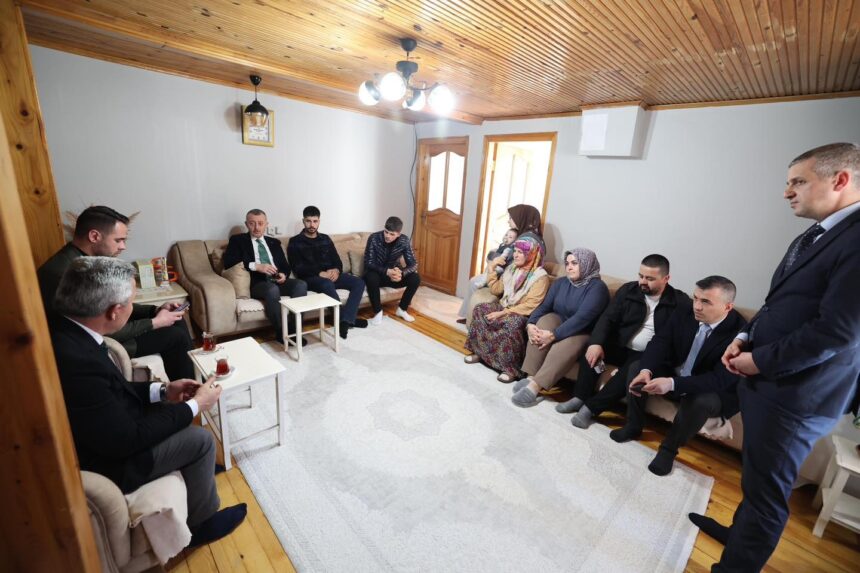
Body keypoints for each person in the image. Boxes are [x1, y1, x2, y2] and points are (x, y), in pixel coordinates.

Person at [690, 143, 860, 571]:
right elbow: (780, 305)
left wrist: (760, 361)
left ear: (840, 180)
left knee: (767, 496)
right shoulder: (817, 234)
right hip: (772, 383)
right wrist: (745, 336)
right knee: (755, 479)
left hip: (798, 395)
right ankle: (736, 536)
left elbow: (836, 331)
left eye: (798, 182)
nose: (787, 192)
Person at [51, 257, 247, 548]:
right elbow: (126, 440)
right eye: (131, 302)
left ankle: (196, 471)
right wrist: (195, 406)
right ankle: (202, 524)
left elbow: (113, 391)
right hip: (114, 463)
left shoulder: (72, 333)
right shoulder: (77, 361)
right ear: (115, 311)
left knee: (171, 408)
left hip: (115, 428)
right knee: (202, 441)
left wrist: (164, 391)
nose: (133, 307)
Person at [604, 276, 745, 476]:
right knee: (637, 367)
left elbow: (718, 380)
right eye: (696, 298)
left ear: (727, 307)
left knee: (701, 399)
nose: (697, 306)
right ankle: (634, 425)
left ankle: (668, 450)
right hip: (677, 372)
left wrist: (672, 384)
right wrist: (646, 371)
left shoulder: (740, 334)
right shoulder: (685, 310)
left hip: (710, 389)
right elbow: (660, 341)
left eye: (706, 302)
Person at [38, 205, 194, 380]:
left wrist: (155, 310)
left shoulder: (84, 260)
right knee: (175, 337)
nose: (123, 247)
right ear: (94, 236)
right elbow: (99, 326)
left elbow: (113, 304)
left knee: (176, 319)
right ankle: (189, 391)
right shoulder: (69, 273)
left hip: (100, 326)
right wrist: (155, 322)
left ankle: (196, 383)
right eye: (118, 240)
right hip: (93, 341)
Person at [557, 254, 689, 417]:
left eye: (649, 278)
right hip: (620, 345)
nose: (643, 282)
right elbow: (607, 318)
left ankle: (591, 409)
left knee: (632, 370)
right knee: (591, 349)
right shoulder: (629, 290)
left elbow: (678, 340)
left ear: (666, 279)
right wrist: (596, 343)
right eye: (641, 276)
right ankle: (579, 397)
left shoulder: (680, 303)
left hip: (646, 355)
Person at [510, 248, 610, 407]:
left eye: (575, 263)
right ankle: (530, 377)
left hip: (584, 331)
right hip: (560, 323)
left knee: (567, 343)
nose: (569, 267)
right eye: (567, 263)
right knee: (544, 321)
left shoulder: (598, 288)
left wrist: (553, 335)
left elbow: (582, 319)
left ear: (587, 264)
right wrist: (530, 324)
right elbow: (544, 307)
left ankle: (536, 386)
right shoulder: (561, 282)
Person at [464, 235, 550, 382]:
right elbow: (497, 290)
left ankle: (510, 369)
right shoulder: (512, 268)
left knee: (512, 323)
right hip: (504, 307)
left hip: (521, 313)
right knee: (480, 309)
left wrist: (502, 313)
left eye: (520, 252)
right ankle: (480, 354)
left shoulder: (540, 277)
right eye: (515, 251)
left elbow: (530, 305)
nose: (515, 255)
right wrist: (491, 269)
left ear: (531, 254)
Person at [223, 209, 308, 343]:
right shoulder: (237, 240)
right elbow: (229, 261)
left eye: (260, 223)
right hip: (258, 283)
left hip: (276, 280)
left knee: (301, 285)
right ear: (246, 224)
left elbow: (285, 265)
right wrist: (256, 266)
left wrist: (283, 274)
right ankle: (282, 333)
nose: (256, 227)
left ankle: (294, 330)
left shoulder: (274, 242)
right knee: (271, 290)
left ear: (266, 224)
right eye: (252, 223)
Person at [287, 206, 367, 339]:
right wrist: (320, 273)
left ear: (319, 221)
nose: (312, 225)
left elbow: (337, 260)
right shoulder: (295, 241)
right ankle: (343, 320)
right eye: (308, 221)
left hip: (331, 276)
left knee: (359, 282)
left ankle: (346, 319)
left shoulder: (325, 239)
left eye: (315, 221)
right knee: (326, 284)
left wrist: (336, 270)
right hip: (311, 278)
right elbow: (297, 268)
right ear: (303, 221)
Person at [363, 216, 420, 324]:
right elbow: (368, 263)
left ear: (398, 234)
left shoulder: (404, 240)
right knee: (371, 277)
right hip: (377, 274)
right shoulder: (374, 238)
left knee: (415, 278)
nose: (387, 236)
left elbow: (413, 264)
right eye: (386, 232)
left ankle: (402, 309)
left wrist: (401, 273)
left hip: (392, 276)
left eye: (392, 234)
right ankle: (378, 312)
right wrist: (387, 271)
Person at [456, 228, 517, 324]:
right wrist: (492, 256)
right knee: (473, 281)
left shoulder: (510, 249)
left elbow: (497, 258)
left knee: (474, 282)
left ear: (514, 240)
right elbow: (490, 256)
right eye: (506, 235)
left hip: (498, 273)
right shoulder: (502, 245)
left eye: (510, 237)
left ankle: (470, 317)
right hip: (493, 269)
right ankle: (467, 315)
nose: (507, 238)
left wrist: (494, 258)